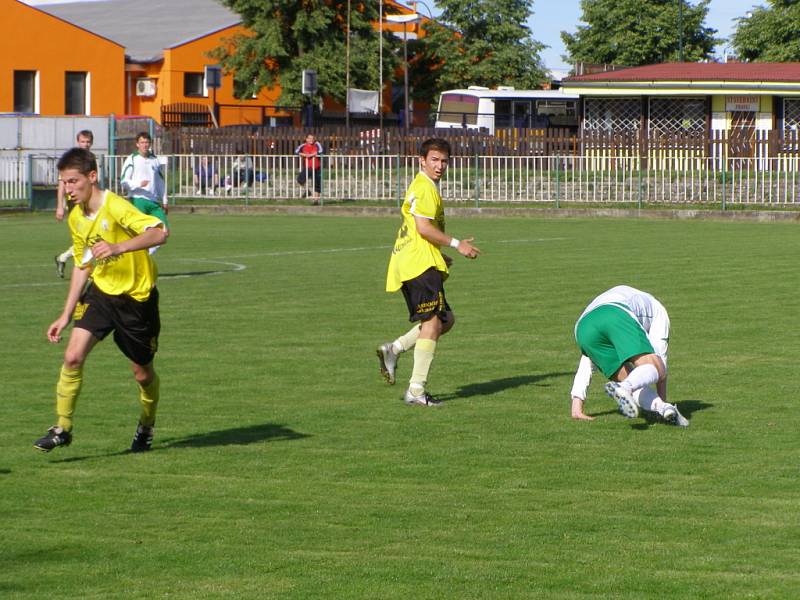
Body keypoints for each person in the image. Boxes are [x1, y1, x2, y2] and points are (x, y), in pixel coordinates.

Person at [33, 148, 168, 453]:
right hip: (101, 295)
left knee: (142, 373)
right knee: (72, 357)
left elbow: (159, 233)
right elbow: (83, 265)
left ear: (92, 177)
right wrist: (65, 315)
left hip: (137, 300)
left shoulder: (116, 206)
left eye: (73, 181)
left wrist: (119, 248)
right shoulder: (76, 217)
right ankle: (62, 427)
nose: (68, 189)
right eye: (64, 182)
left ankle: (147, 424)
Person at [375, 138, 480, 406]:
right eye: (434, 159)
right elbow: (422, 227)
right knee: (434, 323)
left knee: (446, 320)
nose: (440, 165)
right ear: (422, 160)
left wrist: (438, 253)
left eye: (444, 160)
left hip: (417, 260)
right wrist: (457, 245)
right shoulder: (424, 187)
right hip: (416, 264)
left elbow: (417, 230)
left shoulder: (425, 185)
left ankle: (394, 349)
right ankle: (416, 391)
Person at [569, 285, 688, 427]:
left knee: (633, 378)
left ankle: (663, 409)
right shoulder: (659, 312)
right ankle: (626, 388)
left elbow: (587, 361)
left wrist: (577, 404)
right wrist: (663, 397)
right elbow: (659, 366)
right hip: (615, 313)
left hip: (582, 327)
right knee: (656, 369)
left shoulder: (633, 299)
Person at [54, 130, 93, 278]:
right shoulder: (71, 161)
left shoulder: (92, 159)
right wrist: (60, 206)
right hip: (75, 202)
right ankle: (82, 268)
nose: (85, 144)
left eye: (88, 141)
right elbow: (62, 184)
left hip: (89, 201)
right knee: (84, 235)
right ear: (78, 142)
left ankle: (63, 258)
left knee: (90, 235)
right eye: (83, 141)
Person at [120, 131, 169, 237]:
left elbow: (160, 181)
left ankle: (148, 253)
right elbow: (124, 181)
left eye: (147, 142)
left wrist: (165, 200)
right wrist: (138, 184)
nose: (145, 145)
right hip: (138, 199)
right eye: (142, 142)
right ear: (137, 144)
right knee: (139, 234)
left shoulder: (154, 159)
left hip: (153, 201)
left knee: (164, 232)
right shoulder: (132, 159)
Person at [295, 133, 323, 202]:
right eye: (309, 138)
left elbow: (321, 151)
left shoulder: (317, 144)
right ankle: (307, 191)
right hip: (308, 167)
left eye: (313, 138)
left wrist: (311, 155)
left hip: (317, 167)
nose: (311, 140)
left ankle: (316, 201)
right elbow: (296, 151)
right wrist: (304, 154)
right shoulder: (303, 145)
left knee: (317, 184)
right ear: (306, 139)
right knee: (300, 180)